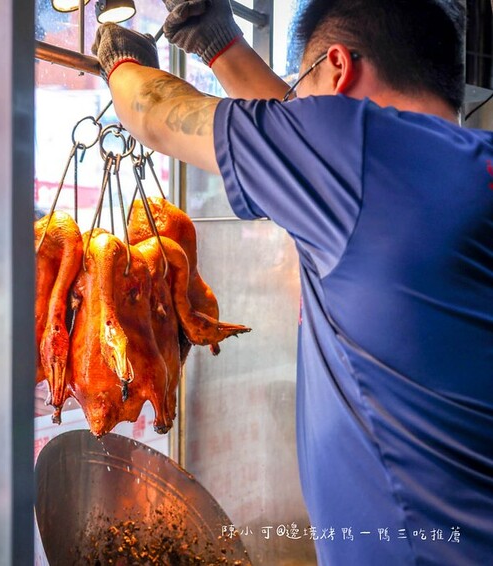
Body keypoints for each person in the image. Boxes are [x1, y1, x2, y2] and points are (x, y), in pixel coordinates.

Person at [92, 0, 493, 564]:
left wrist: (120, 61)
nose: (295, 108)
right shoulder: (464, 163)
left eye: (303, 86)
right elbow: (298, 126)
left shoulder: (356, 154)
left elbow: (156, 113)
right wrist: (218, 44)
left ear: (338, 66)